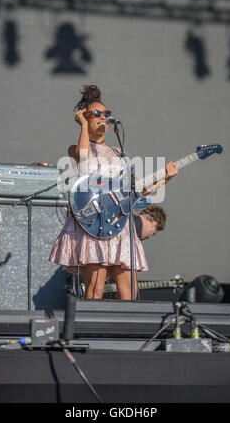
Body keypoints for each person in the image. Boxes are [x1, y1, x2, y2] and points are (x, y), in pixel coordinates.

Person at [49, 84, 178, 300]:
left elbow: (133, 190)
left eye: (106, 114)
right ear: (84, 117)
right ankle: (90, 332)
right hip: (95, 224)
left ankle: (130, 332)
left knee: (130, 293)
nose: (103, 118)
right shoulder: (76, 148)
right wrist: (82, 126)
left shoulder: (119, 153)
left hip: (120, 223)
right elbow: (83, 158)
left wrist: (165, 179)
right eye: (96, 114)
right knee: (95, 290)